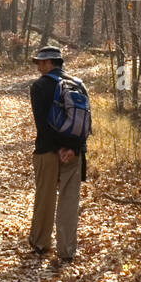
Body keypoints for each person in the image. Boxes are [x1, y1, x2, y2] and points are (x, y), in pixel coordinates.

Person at [28, 46, 86, 262]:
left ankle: (41, 244)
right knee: (69, 202)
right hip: (74, 153)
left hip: (48, 152)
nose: (38, 66)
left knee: (45, 198)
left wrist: (58, 148)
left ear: (49, 63)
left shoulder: (40, 86)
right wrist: (73, 148)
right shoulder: (78, 85)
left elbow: (42, 124)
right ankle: (67, 250)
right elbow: (84, 123)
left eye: (40, 63)